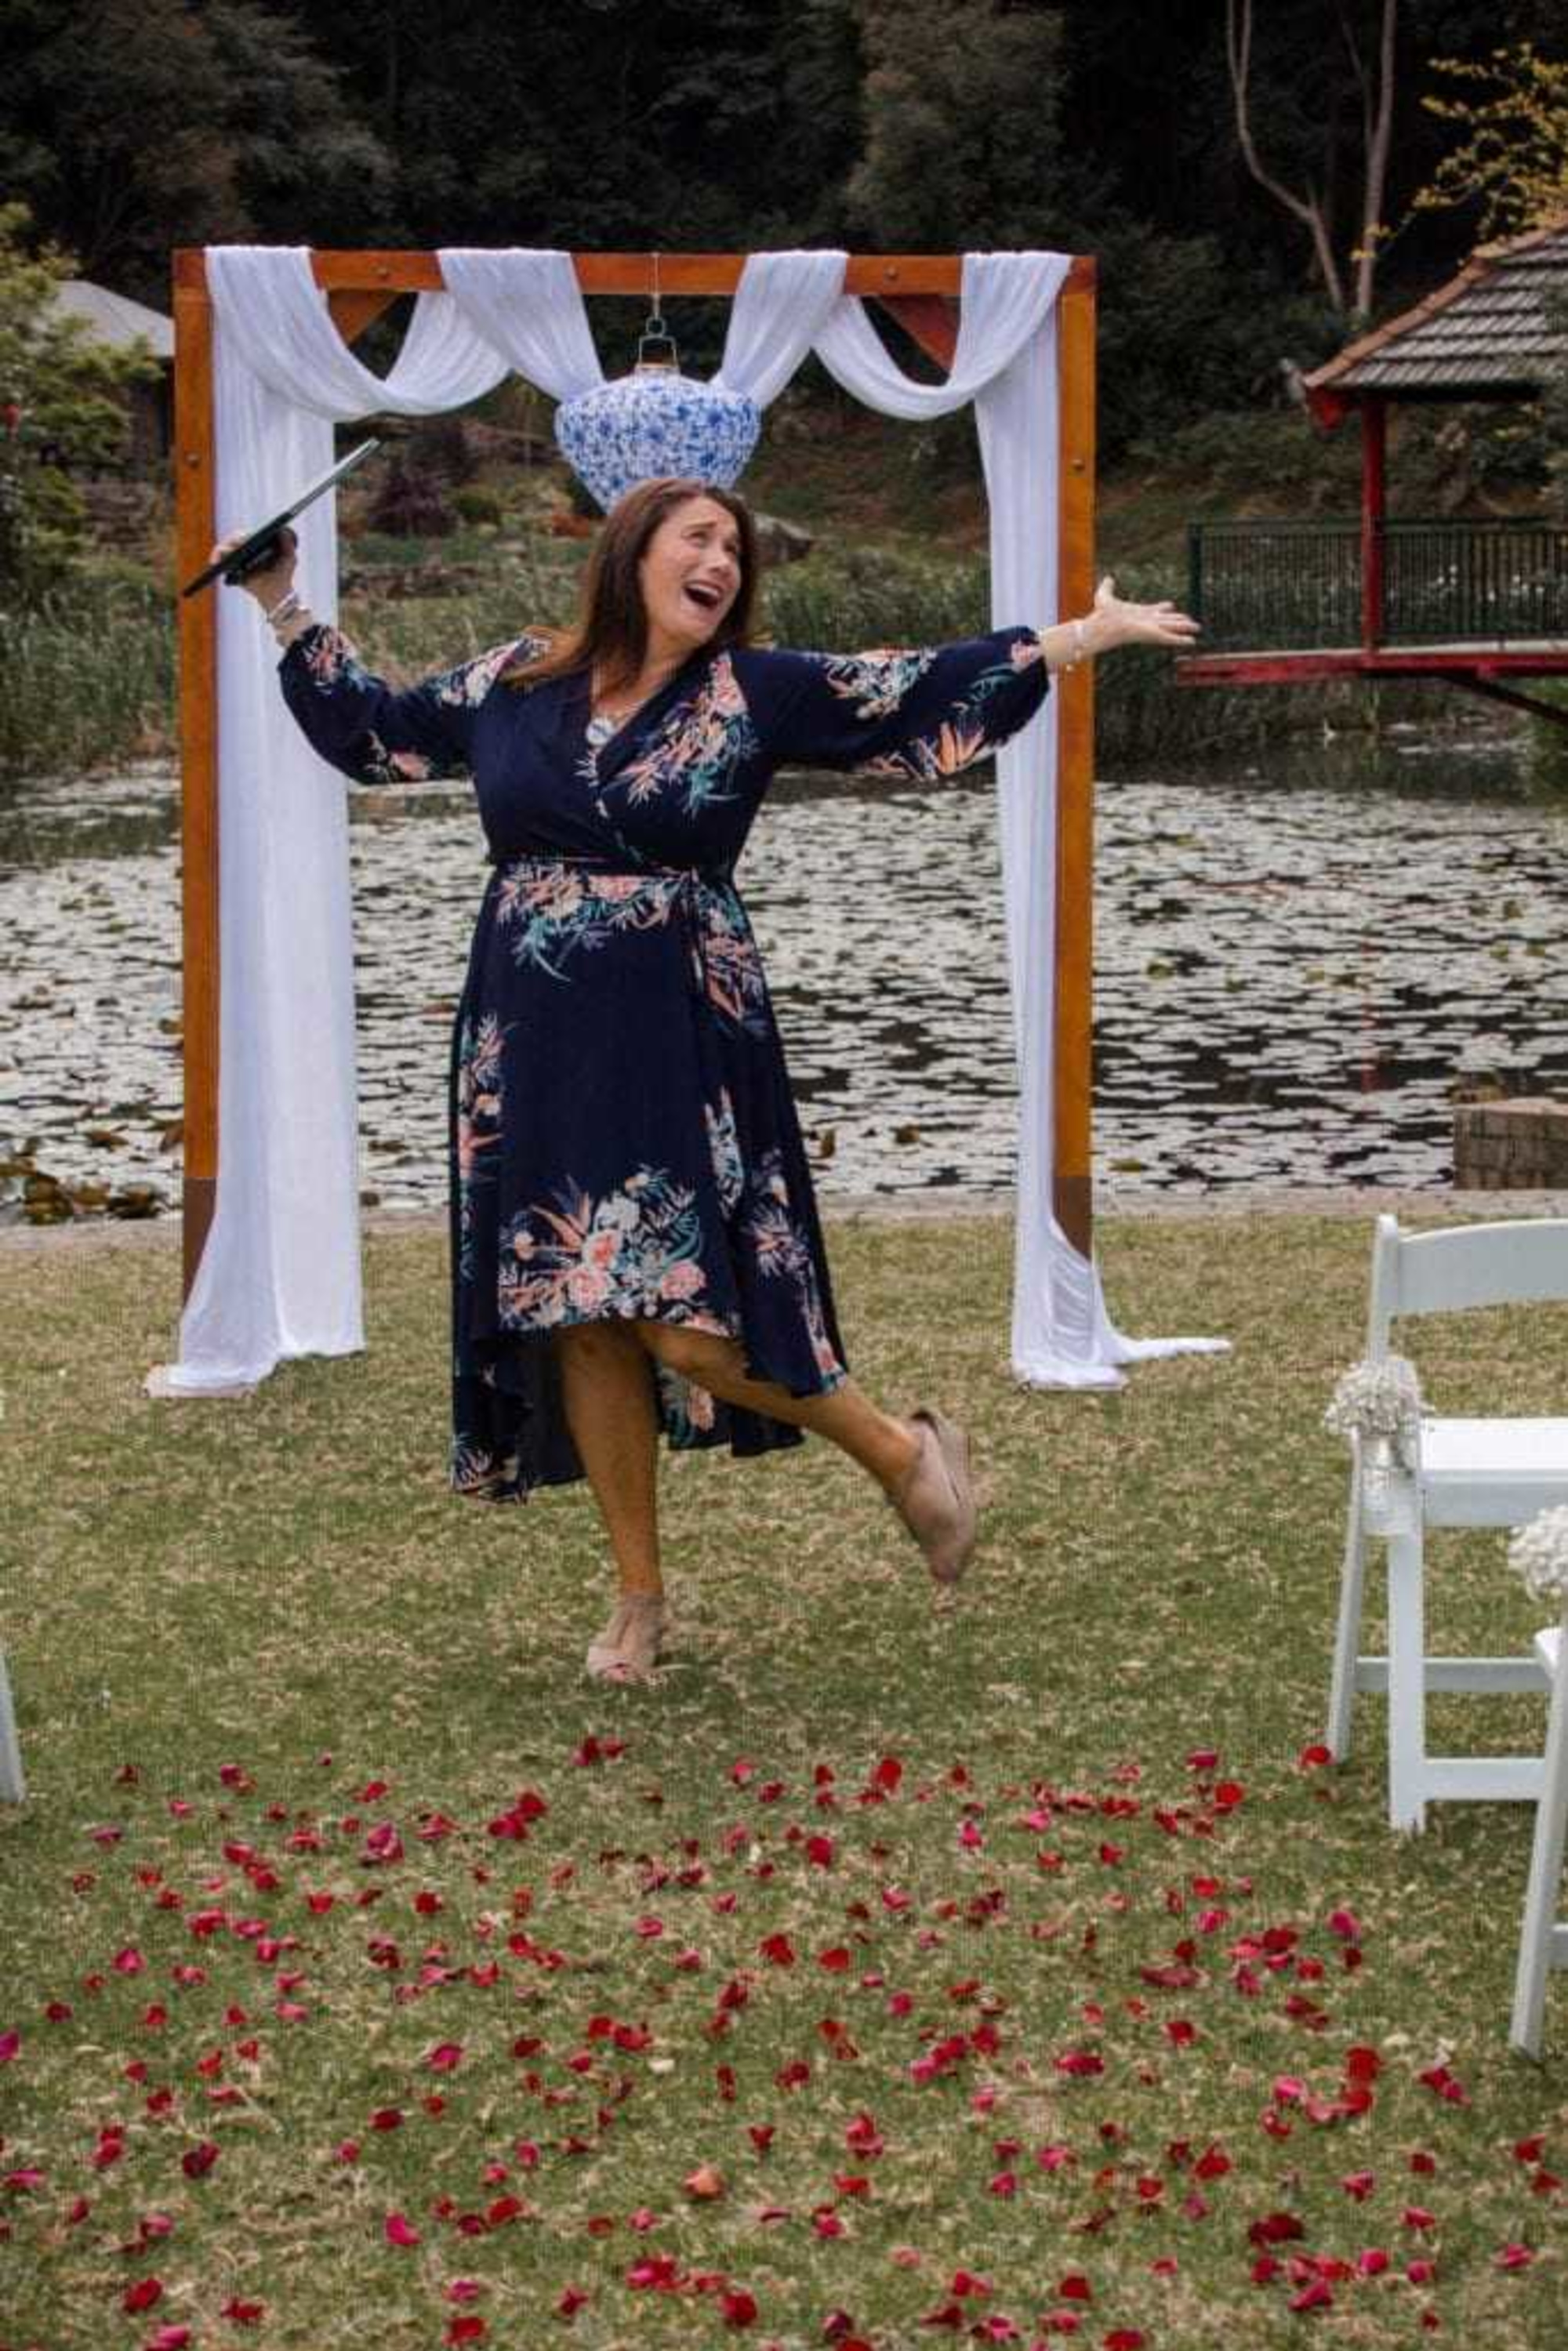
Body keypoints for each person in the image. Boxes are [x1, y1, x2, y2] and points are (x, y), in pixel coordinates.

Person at [212, 474, 1197, 1684]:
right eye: (699, 539)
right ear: (632, 555)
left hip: (678, 1026)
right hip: (531, 1035)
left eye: (733, 548)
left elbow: (905, 688)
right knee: (579, 1317)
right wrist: (279, 599)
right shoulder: (517, 678)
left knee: (683, 1325)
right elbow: (379, 733)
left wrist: (1077, 638)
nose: (722, 562)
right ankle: (639, 1601)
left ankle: (899, 1454)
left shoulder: (752, 692)